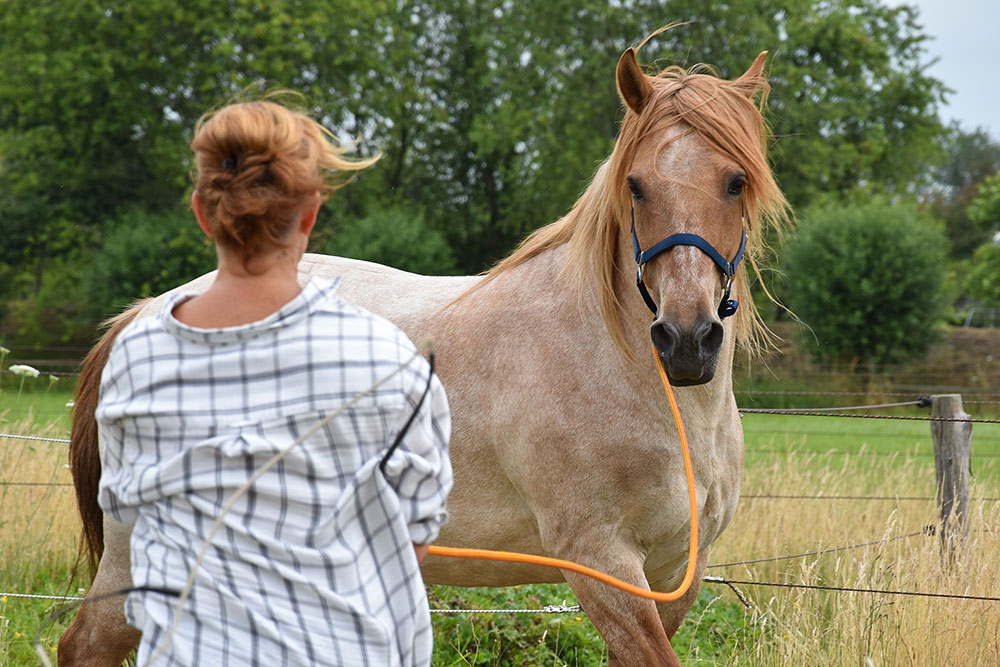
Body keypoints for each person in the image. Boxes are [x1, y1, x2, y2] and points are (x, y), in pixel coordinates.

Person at [96, 97, 453, 666]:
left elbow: (127, 503)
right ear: (310, 214)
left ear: (200, 211)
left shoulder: (137, 353)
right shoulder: (388, 358)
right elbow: (414, 533)